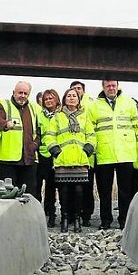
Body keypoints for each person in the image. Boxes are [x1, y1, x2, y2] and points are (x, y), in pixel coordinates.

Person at [88, 79, 138, 230]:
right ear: (103, 87)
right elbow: (90, 129)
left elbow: (136, 126)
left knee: (125, 191)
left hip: (125, 153)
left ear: (118, 86)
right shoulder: (94, 106)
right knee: (104, 191)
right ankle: (105, 221)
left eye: (113, 85)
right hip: (104, 153)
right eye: (108, 85)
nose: (111, 88)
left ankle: (124, 220)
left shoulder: (129, 103)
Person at [45, 88, 95, 233]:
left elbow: (91, 135)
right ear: (65, 98)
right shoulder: (58, 117)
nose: (71, 98)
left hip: (80, 159)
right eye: (69, 96)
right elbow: (49, 135)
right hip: (63, 159)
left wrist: (87, 150)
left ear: (79, 99)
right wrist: (56, 151)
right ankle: (65, 218)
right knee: (64, 191)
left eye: (74, 96)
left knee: (79, 191)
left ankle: (77, 218)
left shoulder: (85, 116)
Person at [0, 81, 40, 198]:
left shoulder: (34, 108)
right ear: (14, 93)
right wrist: (5, 124)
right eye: (20, 92)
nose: (23, 96)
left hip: (29, 159)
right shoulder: (4, 105)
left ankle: (27, 217)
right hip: (8, 160)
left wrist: (35, 145)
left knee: (28, 194)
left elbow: (40, 131)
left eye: (25, 93)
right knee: (7, 195)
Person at [70, 80, 94, 226]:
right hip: (70, 157)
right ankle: (73, 215)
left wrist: (89, 150)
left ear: (83, 90)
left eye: (79, 88)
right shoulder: (65, 109)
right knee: (73, 188)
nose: (76, 91)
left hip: (87, 156)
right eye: (73, 89)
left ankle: (87, 216)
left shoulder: (91, 104)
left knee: (87, 188)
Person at [36, 89, 61, 227]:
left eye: (51, 98)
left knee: (52, 188)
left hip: (56, 155)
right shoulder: (39, 116)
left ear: (56, 99)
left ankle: (51, 215)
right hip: (41, 154)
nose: (49, 101)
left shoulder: (62, 115)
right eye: (46, 99)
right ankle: (38, 215)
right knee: (37, 186)